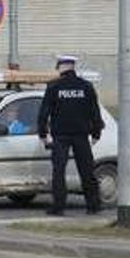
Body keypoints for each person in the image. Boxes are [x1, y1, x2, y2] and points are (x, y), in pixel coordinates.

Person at [37, 54, 105, 216]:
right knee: (87, 170)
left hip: (61, 136)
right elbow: (94, 112)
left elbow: (44, 113)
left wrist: (43, 134)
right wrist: (96, 133)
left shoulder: (54, 87)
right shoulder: (86, 86)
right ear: (73, 66)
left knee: (59, 171)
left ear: (61, 66)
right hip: (81, 135)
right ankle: (93, 205)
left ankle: (58, 206)